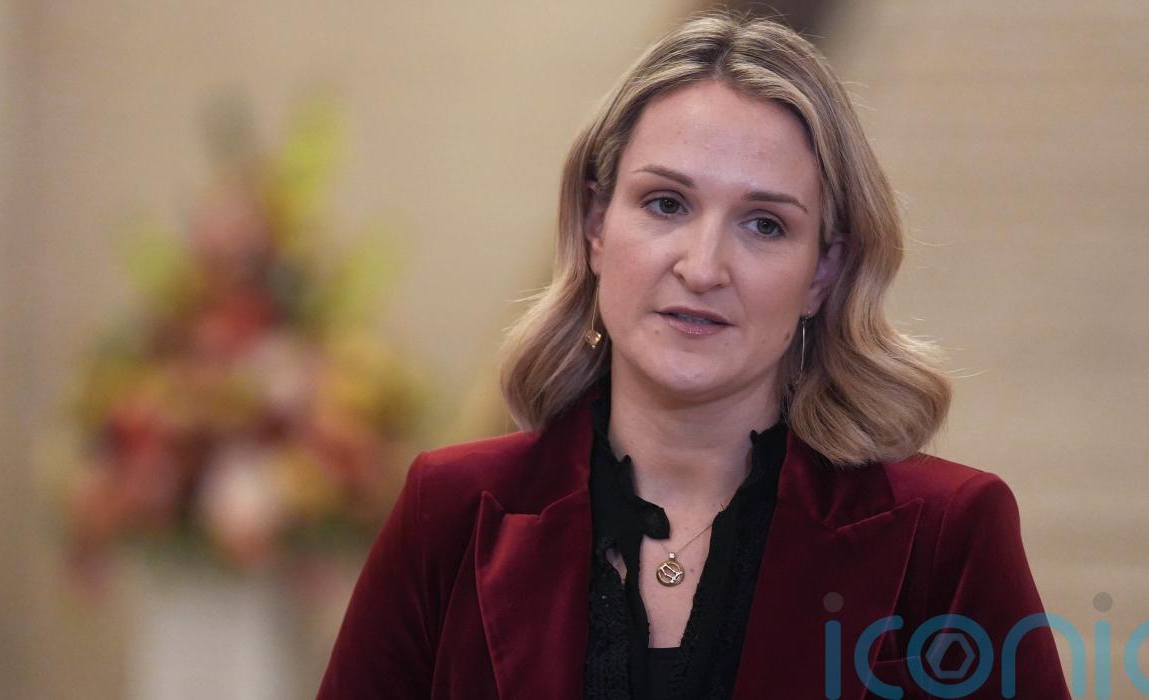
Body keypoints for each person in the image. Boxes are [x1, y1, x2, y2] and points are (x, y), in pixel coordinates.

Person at [319, 12, 1071, 699]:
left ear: (824, 271)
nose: (704, 267)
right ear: (595, 224)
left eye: (765, 224)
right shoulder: (450, 513)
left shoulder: (945, 535)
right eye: (666, 204)